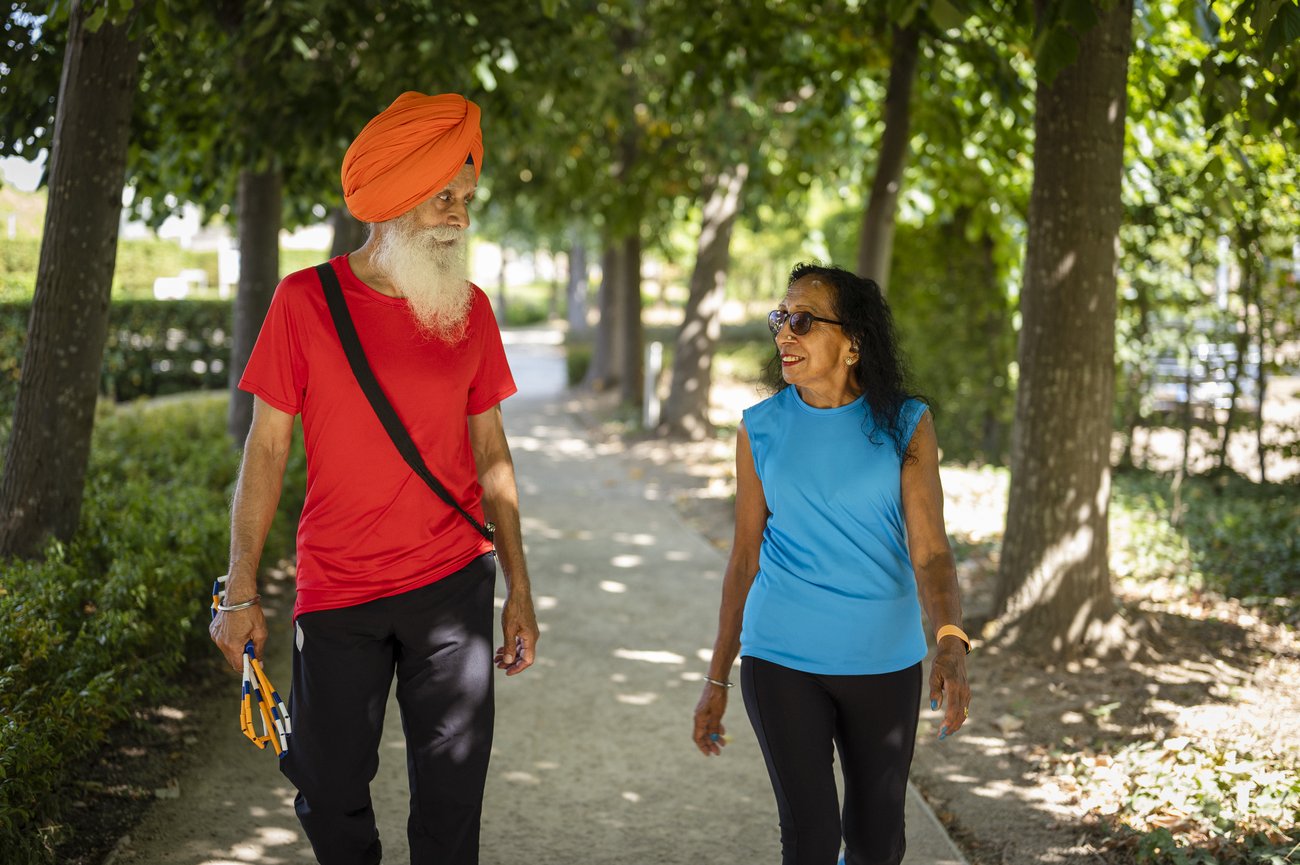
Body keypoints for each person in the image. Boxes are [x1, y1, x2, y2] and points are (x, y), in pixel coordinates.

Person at [208, 91, 539, 865]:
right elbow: (264, 453)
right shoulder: (303, 303)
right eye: (441, 198)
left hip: (453, 580)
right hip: (339, 587)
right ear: (391, 203)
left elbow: (493, 453)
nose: (458, 214)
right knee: (328, 783)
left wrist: (518, 584)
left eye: (465, 197)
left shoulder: (472, 311)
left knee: (453, 793)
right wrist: (241, 587)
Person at [692, 263, 971, 865]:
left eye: (803, 320)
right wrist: (717, 678)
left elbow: (931, 551)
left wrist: (951, 640)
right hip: (781, 656)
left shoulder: (906, 425)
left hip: (885, 660)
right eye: (780, 319)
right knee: (812, 840)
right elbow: (744, 558)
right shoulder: (760, 428)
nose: (784, 334)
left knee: (877, 844)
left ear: (853, 342)